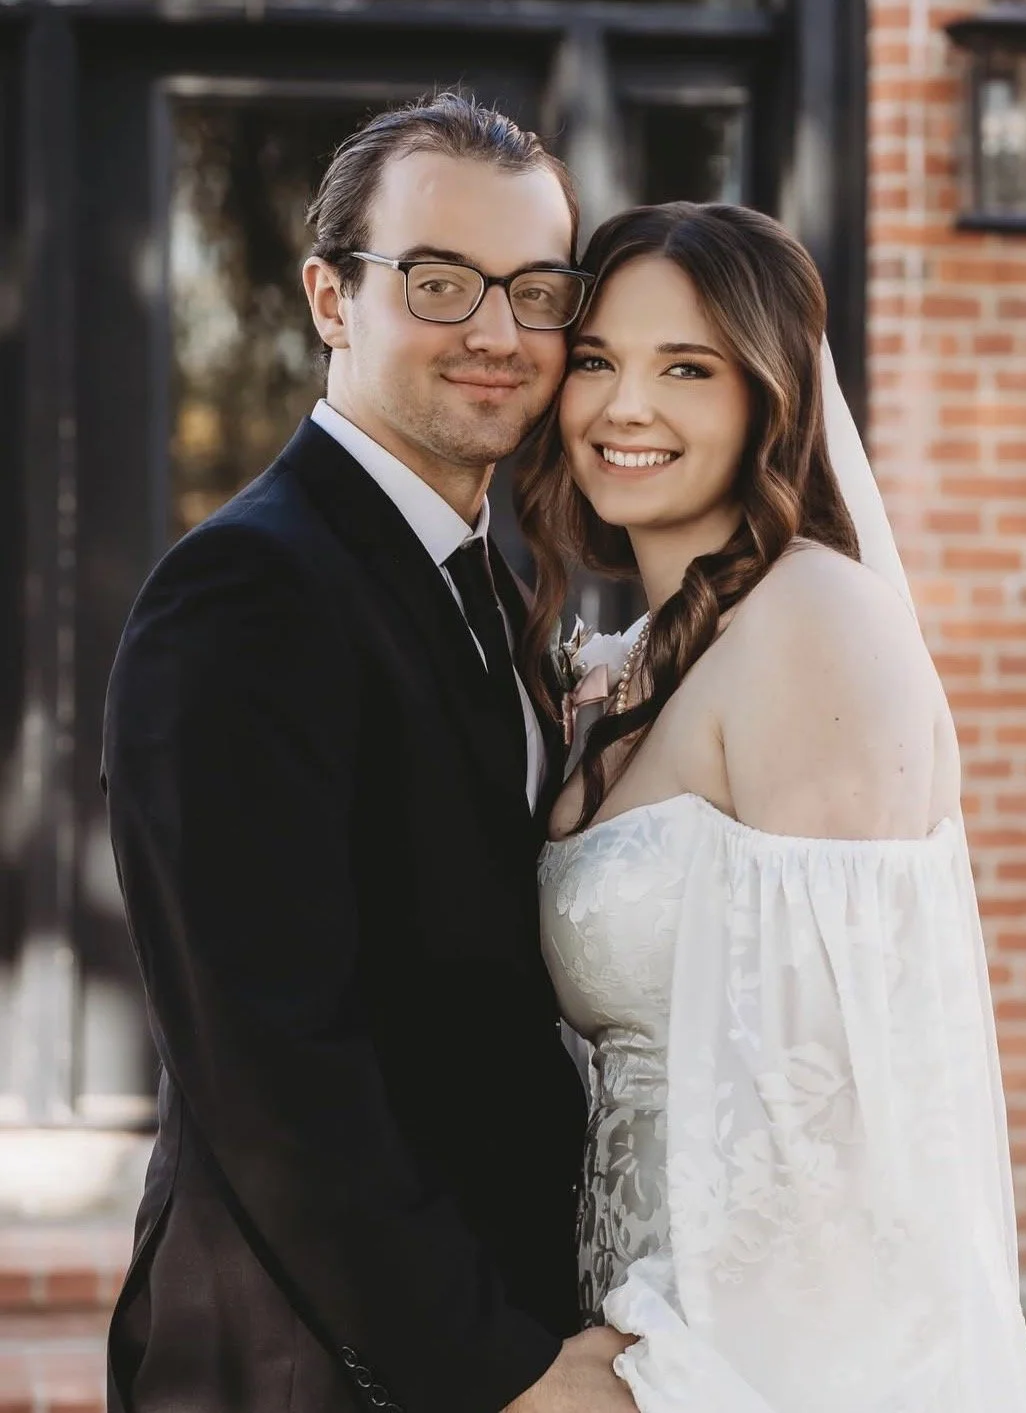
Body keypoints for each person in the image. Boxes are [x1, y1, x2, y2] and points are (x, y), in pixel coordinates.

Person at [101, 93, 637, 1413]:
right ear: (331, 299)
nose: (499, 334)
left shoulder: (490, 585)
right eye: (441, 283)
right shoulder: (245, 594)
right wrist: (501, 1373)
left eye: (535, 289)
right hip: (307, 1358)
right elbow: (277, 1066)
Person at [518, 202, 1026, 1411]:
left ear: (773, 398)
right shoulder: (645, 661)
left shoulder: (819, 624)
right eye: (597, 361)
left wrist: (668, 1372)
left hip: (782, 1361)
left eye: (686, 369)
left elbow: (837, 1117)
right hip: (632, 1321)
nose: (625, 409)